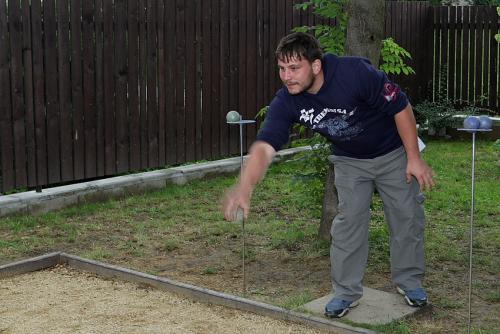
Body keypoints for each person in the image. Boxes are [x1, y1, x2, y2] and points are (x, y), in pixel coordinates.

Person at [223, 32, 435, 318]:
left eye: (294, 68)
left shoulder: (355, 73)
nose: (287, 76)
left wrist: (414, 158)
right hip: (349, 161)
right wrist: (244, 186)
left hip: (393, 153)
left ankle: (409, 283)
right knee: (349, 224)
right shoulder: (288, 101)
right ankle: (346, 293)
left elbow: (401, 106)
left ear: (316, 66)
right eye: (282, 69)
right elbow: (265, 145)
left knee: (406, 216)